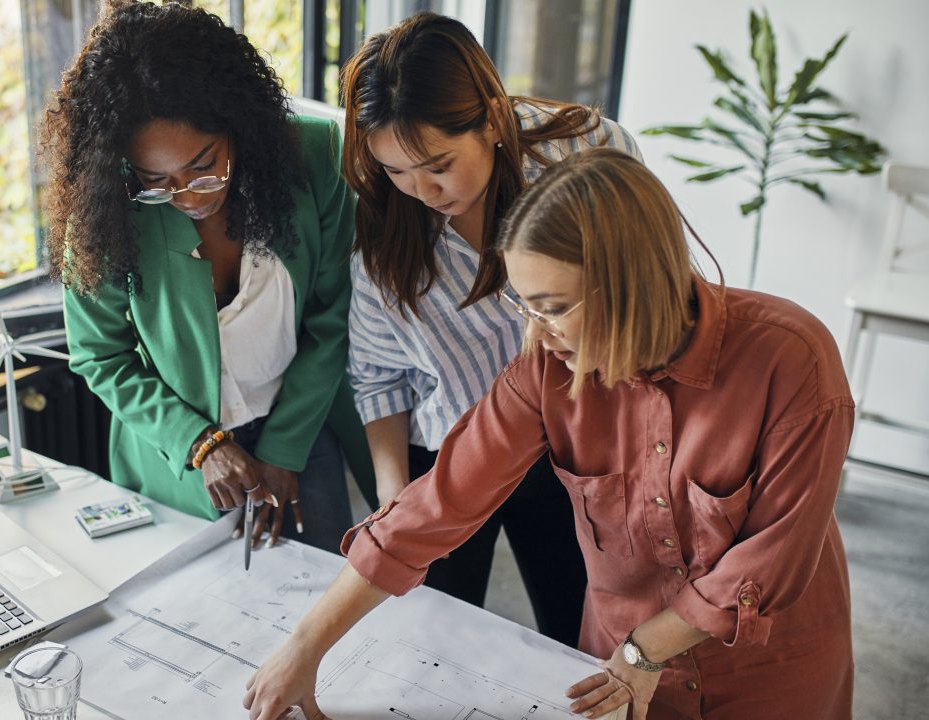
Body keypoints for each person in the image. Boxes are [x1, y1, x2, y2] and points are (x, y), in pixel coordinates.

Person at [245, 149, 854, 720]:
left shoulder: (792, 357)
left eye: (554, 307)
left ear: (632, 283)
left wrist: (645, 649)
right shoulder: (546, 370)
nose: (536, 334)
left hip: (765, 675)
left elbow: (770, 561)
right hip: (613, 673)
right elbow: (438, 502)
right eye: (524, 306)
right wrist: (305, 646)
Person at [341, 12, 639, 640]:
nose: (420, 189)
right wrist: (395, 499)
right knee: (432, 636)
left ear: (491, 118)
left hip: (580, 448)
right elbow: (377, 376)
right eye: (396, 169)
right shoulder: (388, 226)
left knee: (580, 630)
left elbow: (650, 287)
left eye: (439, 164)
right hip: (451, 451)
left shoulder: (587, 152)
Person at [37, 1, 373, 551]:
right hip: (182, 451)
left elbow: (333, 319)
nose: (188, 197)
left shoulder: (313, 159)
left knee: (325, 590)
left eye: (203, 165)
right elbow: (100, 356)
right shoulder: (105, 212)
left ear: (238, 124)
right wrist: (201, 444)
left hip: (301, 423)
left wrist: (285, 449)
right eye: (157, 179)